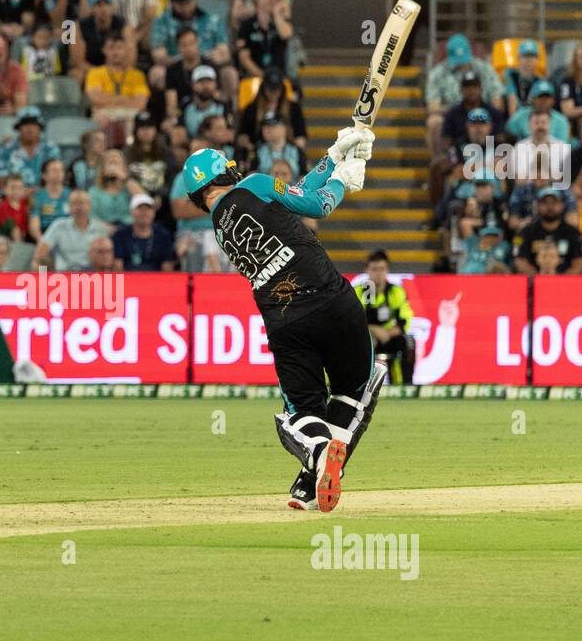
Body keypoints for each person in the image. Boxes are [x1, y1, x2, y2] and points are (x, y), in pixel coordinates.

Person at [177, 126, 379, 514]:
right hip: (335, 302)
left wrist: (334, 155)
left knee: (302, 412)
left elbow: (294, 196)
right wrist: (341, 180)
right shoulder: (253, 184)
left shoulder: (221, 228)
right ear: (226, 172)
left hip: (287, 324)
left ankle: (315, 463)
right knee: (357, 390)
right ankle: (319, 466)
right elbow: (318, 205)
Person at [355, 250, 416, 384]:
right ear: (367, 270)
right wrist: (375, 330)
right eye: (374, 269)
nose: (378, 273)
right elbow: (354, 321)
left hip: (390, 337)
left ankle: (407, 385)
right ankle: (363, 385)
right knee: (364, 342)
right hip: (367, 338)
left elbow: (404, 320)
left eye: (382, 269)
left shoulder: (395, 291)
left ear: (387, 270)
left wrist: (388, 333)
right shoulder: (361, 291)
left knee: (409, 341)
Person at [112, 193, 174, 271]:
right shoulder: (120, 235)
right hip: (128, 279)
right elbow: (118, 266)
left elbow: (167, 267)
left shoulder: (163, 236)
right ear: (131, 212)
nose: (144, 212)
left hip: (157, 280)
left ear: (154, 212)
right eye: (140, 208)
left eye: (148, 208)